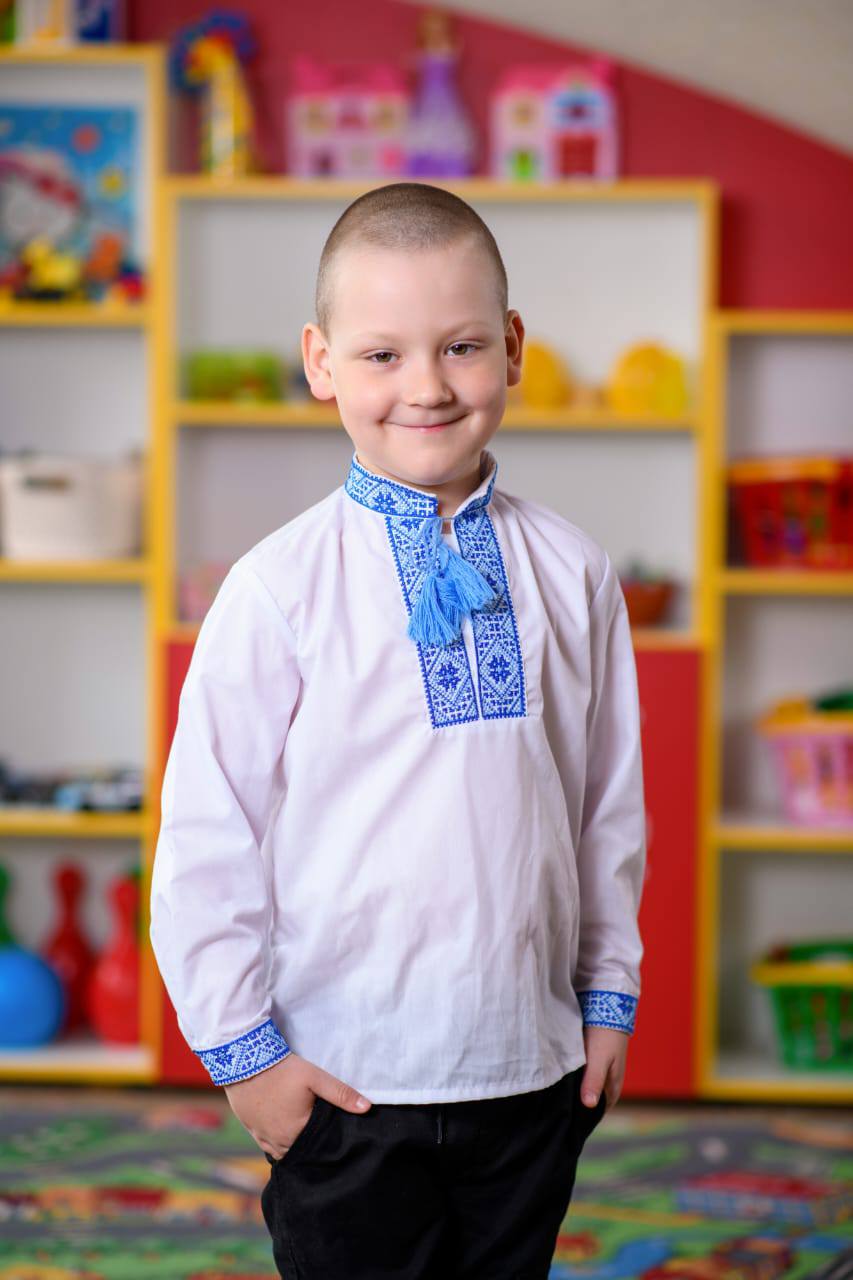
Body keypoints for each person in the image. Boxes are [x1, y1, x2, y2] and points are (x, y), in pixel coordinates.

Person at [149, 180, 647, 1279]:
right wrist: (247, 1060)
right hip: (343, 1080)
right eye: (382, 355)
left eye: (461, 346)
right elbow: (206, 840)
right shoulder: (275, 588)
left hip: (530, 1068)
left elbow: (606, 810)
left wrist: (606, 1001)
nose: (426, 386)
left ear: (511, 347)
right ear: (321, 361)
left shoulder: (575, 571)